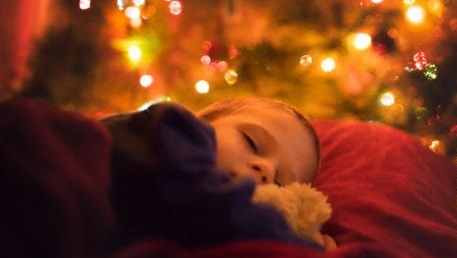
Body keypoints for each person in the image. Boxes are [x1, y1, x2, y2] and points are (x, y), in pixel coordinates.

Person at [101, 98, 325, 249]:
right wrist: (305, 247)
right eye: (251, 142)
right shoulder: (171, 130)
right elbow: (221, 209)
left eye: (279, 181)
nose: (267, 169)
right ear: (205, 121)